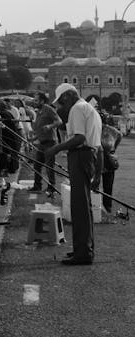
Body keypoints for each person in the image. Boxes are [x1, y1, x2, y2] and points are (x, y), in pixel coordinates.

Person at [45, 83, 102, 265]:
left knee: (79, 208)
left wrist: (56, 148)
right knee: (84, 208)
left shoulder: (77, 109)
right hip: (89, 157)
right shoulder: (90, 110)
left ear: (69, 95)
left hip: (80, 156)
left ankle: (83, 254)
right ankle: (83, 249)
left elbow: (79, 138)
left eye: (62, 101)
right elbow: (98, 147)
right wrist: (98, 175)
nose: (62, 106)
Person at [30, 92, 62, 195]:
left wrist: (50, 126)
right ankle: (37, 186)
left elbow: (59, 121)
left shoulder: (48, 109)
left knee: (49, 166)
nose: (34, 102)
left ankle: (51, 188)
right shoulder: (39, 111)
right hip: (41, 142)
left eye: (36, 100)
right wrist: (34, 137)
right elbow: (40, 128)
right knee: (37, 165)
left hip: (50, 142)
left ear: (42, 101)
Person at [100, 114, 122, 217]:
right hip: (96, 158)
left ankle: (107, 206)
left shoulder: (110, 130)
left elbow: (120, 135)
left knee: (108, 185)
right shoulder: (94, 128)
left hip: (108, 158)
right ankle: (93, 204)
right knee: (93, 182)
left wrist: (114, 148)